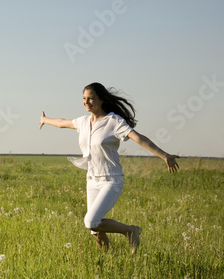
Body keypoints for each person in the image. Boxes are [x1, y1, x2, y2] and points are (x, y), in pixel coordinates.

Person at [39, 82, 179, 253]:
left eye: (91, 98)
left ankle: (130, 230)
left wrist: (164, 155)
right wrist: (45, 120)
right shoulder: (83, 122)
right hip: (91, 180)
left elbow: (139, 138)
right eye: (84, 98)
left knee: (91, 221)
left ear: (102, 99)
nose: (86, 102)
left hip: (111, 180)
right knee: (95, 229)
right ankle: (109, 259)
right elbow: (62, 123)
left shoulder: (113, 121)